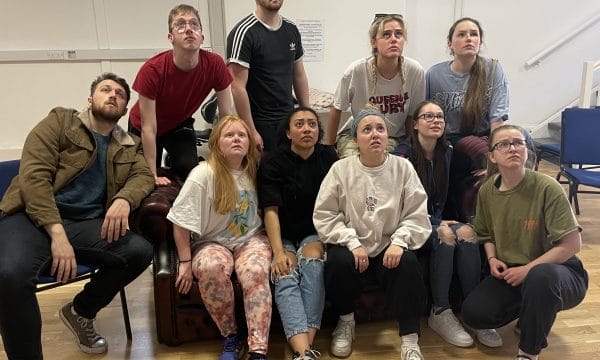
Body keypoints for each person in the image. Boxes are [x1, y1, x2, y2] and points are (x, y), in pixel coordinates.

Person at [0, 73, 155, 359]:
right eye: (105, 90)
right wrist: (56, 234)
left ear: (124, 110)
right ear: (89, 99)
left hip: (84, 226)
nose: (112, 95)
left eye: (120, 94)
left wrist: (124, 199)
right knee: (9, 275)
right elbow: (33, 177)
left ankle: (80, 310)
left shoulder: (129, 144)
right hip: (30, 218)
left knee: (139, 250)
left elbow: (144, 176)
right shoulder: (59, 122)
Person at [461, 125, 589, 360]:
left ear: (527, 150)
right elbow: (485, 233)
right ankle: (534, 311)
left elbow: (572, 245)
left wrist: (527, 270)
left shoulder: (547, 187)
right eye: (503, 144)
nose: (512, 148)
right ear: (492, 155)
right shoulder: (488, 190)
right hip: (514, 271)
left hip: (559, 271)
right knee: (473, 314)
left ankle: (528, 353)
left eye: (518, 143)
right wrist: (492, 258)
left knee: (541, 278)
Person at [314, 107, 431, 360]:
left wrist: (399, 242)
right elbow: (325, 215)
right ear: (356, 140)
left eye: (380, 129)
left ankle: (410, 337)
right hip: (353, 245)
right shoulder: (340, 170)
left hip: (389, 244)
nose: (375, 134)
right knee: (337, 261)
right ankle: (346, 321)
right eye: (367, 130)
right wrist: (352, 242)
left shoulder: (403, 168)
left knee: (408, 263)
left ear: (388, 136)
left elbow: (417, 213)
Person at [167, 115, 272, 360]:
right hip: (211, 241)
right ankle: (231, 337)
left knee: (255, 272)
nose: (236, 139)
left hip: (251, 238)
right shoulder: (203, 174)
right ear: (217, 143)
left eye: (242, 135)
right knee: (210, 267)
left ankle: (258, 350)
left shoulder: (258, 169)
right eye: (229, 135)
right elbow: (180, 222)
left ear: (249, 142)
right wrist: (184, 262)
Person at [403, 100, 501, 348]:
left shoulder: (448, 152)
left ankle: (474, 310)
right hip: (411, 222)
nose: (435, 121)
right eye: (428, 116)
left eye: (439, 117)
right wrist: (436, 221)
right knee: (445, 234)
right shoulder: (402, 156)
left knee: (467, 232)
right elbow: (399, 205)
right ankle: (441, 311)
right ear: (415, 124)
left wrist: (486, 172)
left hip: (440, 218)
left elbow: (469, 175)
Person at [257, 107, 337, 360]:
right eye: (299, 124)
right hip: (283, 233)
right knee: (285, 271)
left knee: (313, 264)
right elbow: (270, 210)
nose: (307, 129)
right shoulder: (272, 161)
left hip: (316, 231)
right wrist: (279, 252)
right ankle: (305, 352)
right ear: (288, 132)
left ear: (319, 131)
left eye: (312, 124)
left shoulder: (329, 157)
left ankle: (303, 352)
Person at [129, 4, 233, 186]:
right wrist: (151, 174)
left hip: (178, 124)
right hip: (143, 125)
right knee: (141, 176)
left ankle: (174, 160)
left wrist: (225, 162)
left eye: (194, 25)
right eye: (180, 25)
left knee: (188, 168)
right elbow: (148, 127)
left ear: (202, 37)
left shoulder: (215, 64)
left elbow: (226, 116)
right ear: (171, 37)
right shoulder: (152, 70)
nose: (188, 29)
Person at [426, 17, 509, 220]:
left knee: (520, 142)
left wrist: (495, 158)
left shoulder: (493, 69)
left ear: (480, 42)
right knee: (475, 148)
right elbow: (425, 112)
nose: (468, 38)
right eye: (461, 34)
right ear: (450, 44)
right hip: (450, 136)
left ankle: (512, 212)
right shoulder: (434, 74)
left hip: (484, 135)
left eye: (474, 34)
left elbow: (497, 119)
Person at [325, 13, 425, 158]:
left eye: (399, 34)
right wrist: (328, 147)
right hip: (356, 136)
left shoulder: (415, 71)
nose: (393, 39)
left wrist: (412, 147)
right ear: (374, 42)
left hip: (393, 137)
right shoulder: (356, 70)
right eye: (386, 34)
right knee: (355, 165)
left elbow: (412, 116)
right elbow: (337, 108)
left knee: (388, 164)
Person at [227, 0, 309, 153]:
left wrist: (308, 115)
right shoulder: (244, 32)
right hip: (260, 122)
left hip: (288, 118)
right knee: (266, 174)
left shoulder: (291, 29)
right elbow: (237, 86)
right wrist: (251, 130)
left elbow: (299, 75)